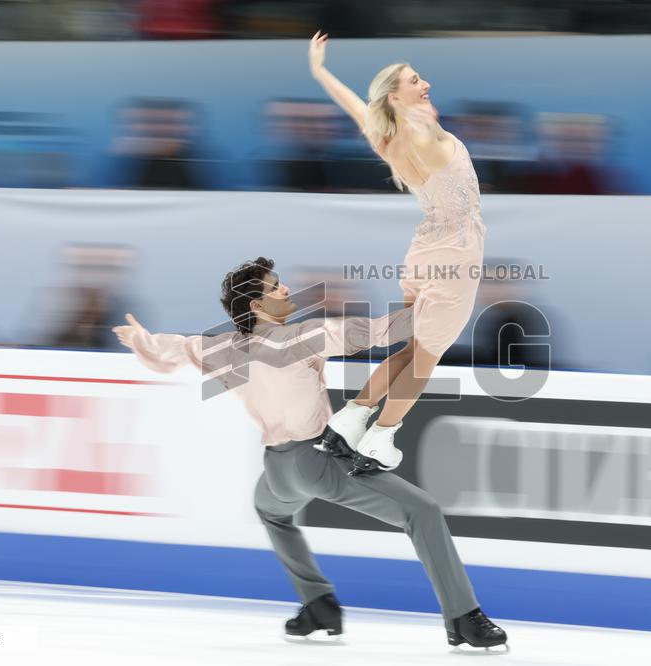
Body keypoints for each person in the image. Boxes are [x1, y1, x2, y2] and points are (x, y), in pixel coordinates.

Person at [113, 257, 507, 651]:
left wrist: (140, 340)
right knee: (421, 511)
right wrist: (445, 303)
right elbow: (380, 332)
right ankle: (463, 616)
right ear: (256, 306)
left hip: (277, 471)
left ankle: (318, 603)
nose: (286, 291)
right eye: (275, 287)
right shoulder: (301, 337)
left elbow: (173, 350)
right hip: (317, 461)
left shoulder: (220, 348)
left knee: (271, 511)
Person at [308, 32, 486, 474]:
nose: (424, 84)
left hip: (423, 254)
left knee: (409, 349)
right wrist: (417, 117)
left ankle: (349, 421)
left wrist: (320, 71)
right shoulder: (418, 136)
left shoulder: (385, 139)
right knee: (425, 360)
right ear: (395, 95)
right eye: (414, 80)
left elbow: (355, 107)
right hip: (455, 259)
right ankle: (380, 439)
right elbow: (423, 135)